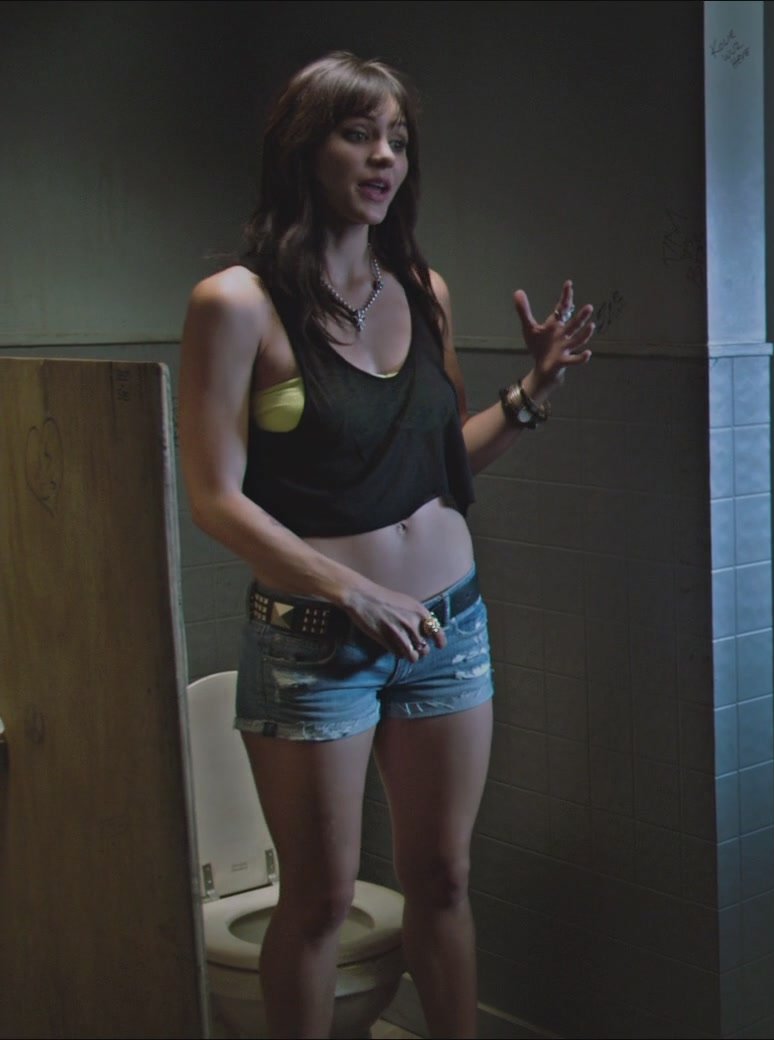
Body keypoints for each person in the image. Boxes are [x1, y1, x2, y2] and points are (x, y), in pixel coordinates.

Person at [178, 52, 598, 1038]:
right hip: (315, 640)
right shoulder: (236, 303)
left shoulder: (423, 288)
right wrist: (353, 590)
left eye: (398, 141)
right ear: (304, 147)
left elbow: (439, 467)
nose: (383, 158)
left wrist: (533, 391)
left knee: (443, 878)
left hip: (448, 628)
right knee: (319, 903)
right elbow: (214, 499)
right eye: (358, 134)